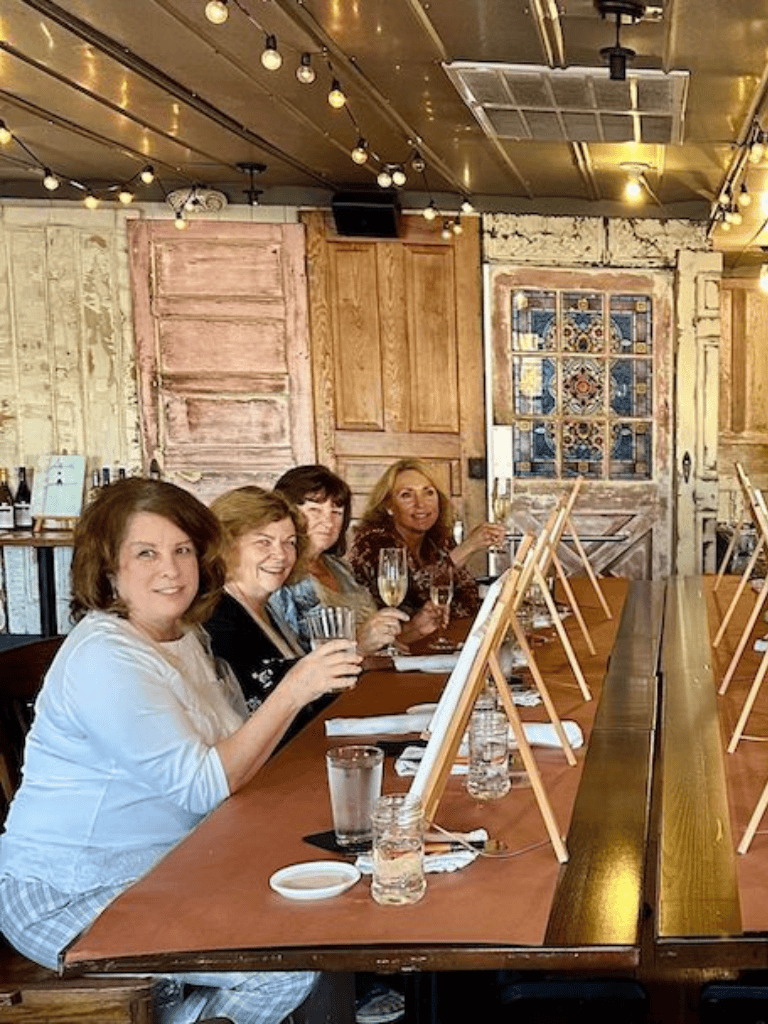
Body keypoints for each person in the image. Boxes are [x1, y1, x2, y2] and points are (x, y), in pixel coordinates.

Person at [0, 477, 361, 1024]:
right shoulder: (107, 656)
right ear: (108, 567)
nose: (169, 570)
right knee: (289, 965)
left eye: (183, 550)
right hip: (69, 894)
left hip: (170, 866)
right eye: (146, 553)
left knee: (325, 901)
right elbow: (202, 786)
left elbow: (233, 740)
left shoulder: (183, 633)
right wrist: (296, 688)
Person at [205, 485, 362, 739]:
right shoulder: (218, 619)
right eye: (263, 542)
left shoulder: (265, 608)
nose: (280, 555)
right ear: (226, 545)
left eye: (289, 543)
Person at [349, 458, 506, 637]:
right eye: (406, 495)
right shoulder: (374, 541)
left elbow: (466, 599)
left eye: (429, 493)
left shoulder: (437, 539)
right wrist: (466, 548)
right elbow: (415, 594)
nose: (421, 504)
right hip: (386, 649)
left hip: (430, 641)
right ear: (389, 506)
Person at [270, 464, 406, 655]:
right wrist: (357, 646)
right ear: (288, 512)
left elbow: (377, 641)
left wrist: (416, 628)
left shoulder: (340, 567)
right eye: (315, 510)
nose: (328, 521)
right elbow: (294, 662)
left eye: (336, 512)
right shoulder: (279, 574)